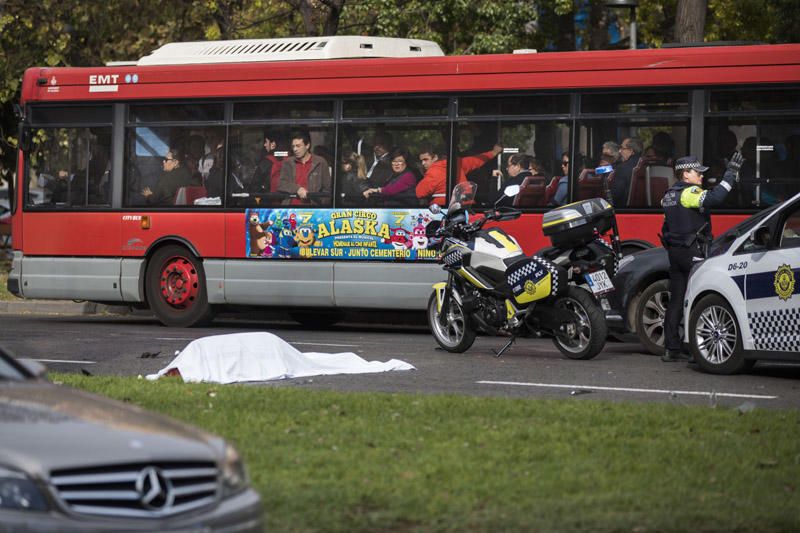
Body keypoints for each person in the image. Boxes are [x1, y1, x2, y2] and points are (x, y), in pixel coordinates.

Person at [660, 152, 743, 362]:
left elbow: (666, 226)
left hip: (675, 253)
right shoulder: (689, 192)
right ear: (685, 175)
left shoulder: (668, 196)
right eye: (697, 173)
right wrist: (730, 174)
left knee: (677, 299)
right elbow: (716, 198)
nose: (701, 177)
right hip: (692, 253)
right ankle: (697, 351)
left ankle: (671, 348)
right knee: (697, 299)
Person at [415, 143, 503, 206]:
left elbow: (420, 193)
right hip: (467, 206)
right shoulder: (456, 163)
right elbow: (475, 161)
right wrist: (494, 152)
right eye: (421, 160)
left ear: (435, 157)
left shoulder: (433, 171)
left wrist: (423, 174)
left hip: (444, 208)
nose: (423, 163)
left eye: (425, 159)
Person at [277, 132, 331, 206]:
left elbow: (327, 189)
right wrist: (297, 189)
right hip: (291, 209)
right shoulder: (288, 163)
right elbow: (281, 184)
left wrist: (321, 205)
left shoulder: (320, 162)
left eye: (298, 146)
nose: (295, 149)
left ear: (307, 145)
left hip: (313, 210)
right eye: (293, 146)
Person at [611, 137, 643, 207]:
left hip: (624, 210)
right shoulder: (644, 165)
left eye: (622, 148)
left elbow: (616, 195)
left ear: (631, 151)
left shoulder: (622, 168)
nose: (620, 151)